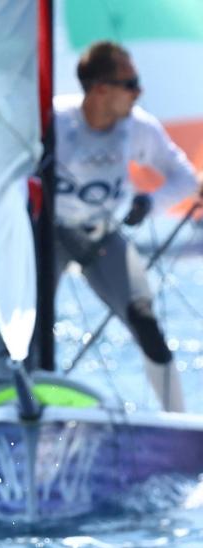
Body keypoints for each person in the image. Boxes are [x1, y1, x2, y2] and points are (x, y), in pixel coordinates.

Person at [53, 40, 203, 412]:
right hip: (48, 236)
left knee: (145, 321)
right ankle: (31, 410)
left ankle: (179, 425)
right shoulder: (53, 120)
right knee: (30, 329)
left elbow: (186, 180)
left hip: (102, 236)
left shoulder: (139, 128)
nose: (140, 91)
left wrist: (148, 204)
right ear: (102, 90)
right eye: (131, 83)